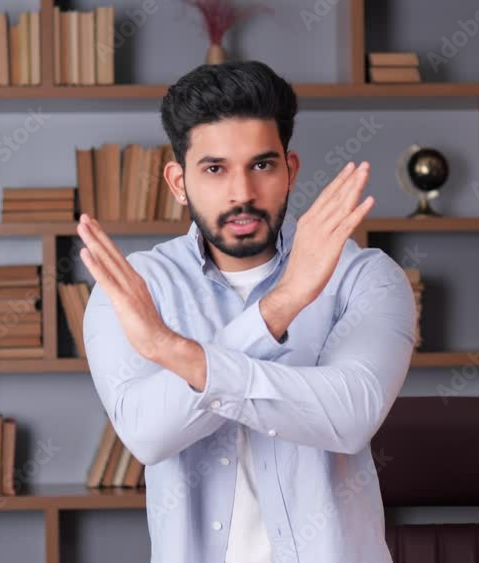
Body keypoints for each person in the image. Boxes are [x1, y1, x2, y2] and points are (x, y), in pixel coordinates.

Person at [79, 60, 415, 563]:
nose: (242, 194)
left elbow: (350, 415)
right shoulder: (135, 287)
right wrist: (280, 309)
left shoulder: (365, 275)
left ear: (289, 170)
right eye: (214, 169)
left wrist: (178, 356)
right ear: (178, 182)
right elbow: (148, 434)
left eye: (262, 165)